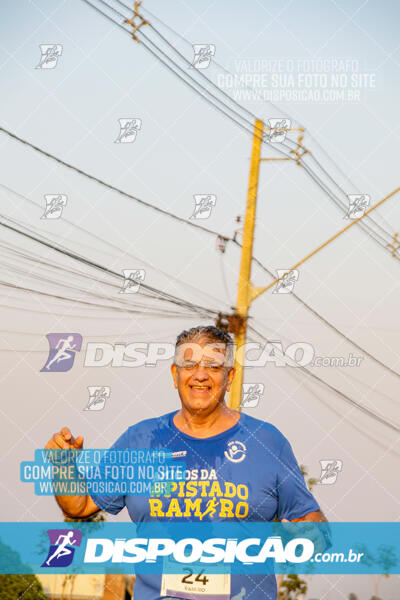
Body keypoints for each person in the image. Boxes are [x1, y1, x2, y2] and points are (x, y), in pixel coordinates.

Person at [45, 325, 326, 599]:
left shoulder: (267, 441)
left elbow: (314, 525)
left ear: (230, 377)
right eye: (189, 365)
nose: (200, 376)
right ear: (175, 374)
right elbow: (79, 504)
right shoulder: (141, 440)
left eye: (213, 367)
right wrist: (63, 466)